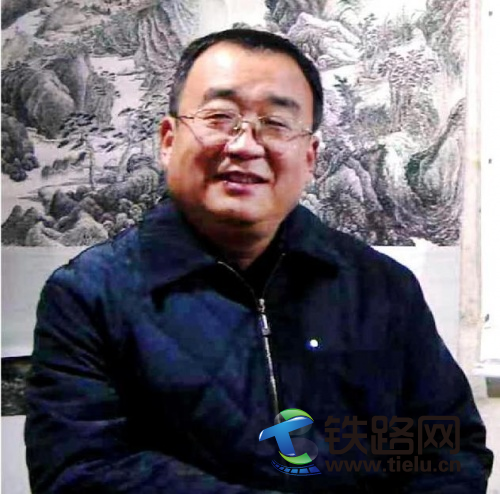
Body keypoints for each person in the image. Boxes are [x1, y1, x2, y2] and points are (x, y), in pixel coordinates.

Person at [25, 28, 493, 493]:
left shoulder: (381, 287)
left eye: (276, 123)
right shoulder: (90, 295)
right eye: (219, 117)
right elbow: (79, 471)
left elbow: (446, 449)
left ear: (310, 156)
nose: (246, 145)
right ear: (168, 140)